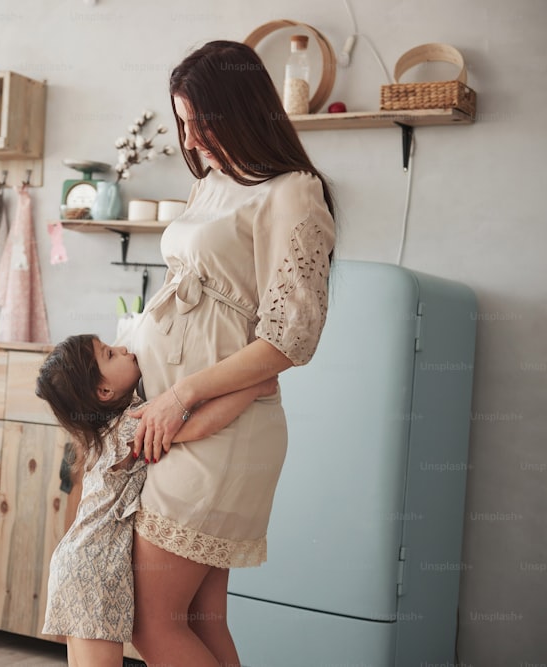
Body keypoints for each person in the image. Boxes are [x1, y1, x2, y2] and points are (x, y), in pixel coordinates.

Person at [125, 40, 337, 666]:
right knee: (196, 620)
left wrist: (179, 394)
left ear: (244, 109)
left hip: (223, 429)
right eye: (182, 123)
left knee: (152, 622)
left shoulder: (294, 193)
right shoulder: (213, 184)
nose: (190, 141)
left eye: (202, 121)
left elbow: (287, 340)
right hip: (178, 421)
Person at [35, 334, 278, 667]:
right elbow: (197, 426)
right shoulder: (131, 423)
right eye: (109, 353)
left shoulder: (107, 428)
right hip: (94, 568)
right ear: (104, 392)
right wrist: (252, 389)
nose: (122, 349)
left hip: (76, 561)